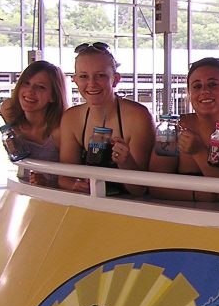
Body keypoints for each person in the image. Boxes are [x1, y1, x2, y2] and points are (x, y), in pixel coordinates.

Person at [58, 42, 155, 193]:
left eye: (100, 76)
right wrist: (75, 185)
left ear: (115, 79)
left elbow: (140, 190)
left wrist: (126, 162)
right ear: (75, 80)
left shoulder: (138, 117)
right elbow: (64, 178)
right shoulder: (72, 118)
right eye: (84, 76)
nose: (92, 84)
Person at [146, 57, 219, 201]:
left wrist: (198, 152)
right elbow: (155, 186)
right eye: (197, 86)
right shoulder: (173, 128)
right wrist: (200, 195)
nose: (204, 91)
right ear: (189, 93)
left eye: (212, 84)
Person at [0, 60, 67, 186]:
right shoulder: (9, 113)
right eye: (26, 83)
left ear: (53, 96)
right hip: (32, 193)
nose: (30, 91)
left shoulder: (60, 130)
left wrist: (48, 183)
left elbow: (74, 177)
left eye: (40, 87)